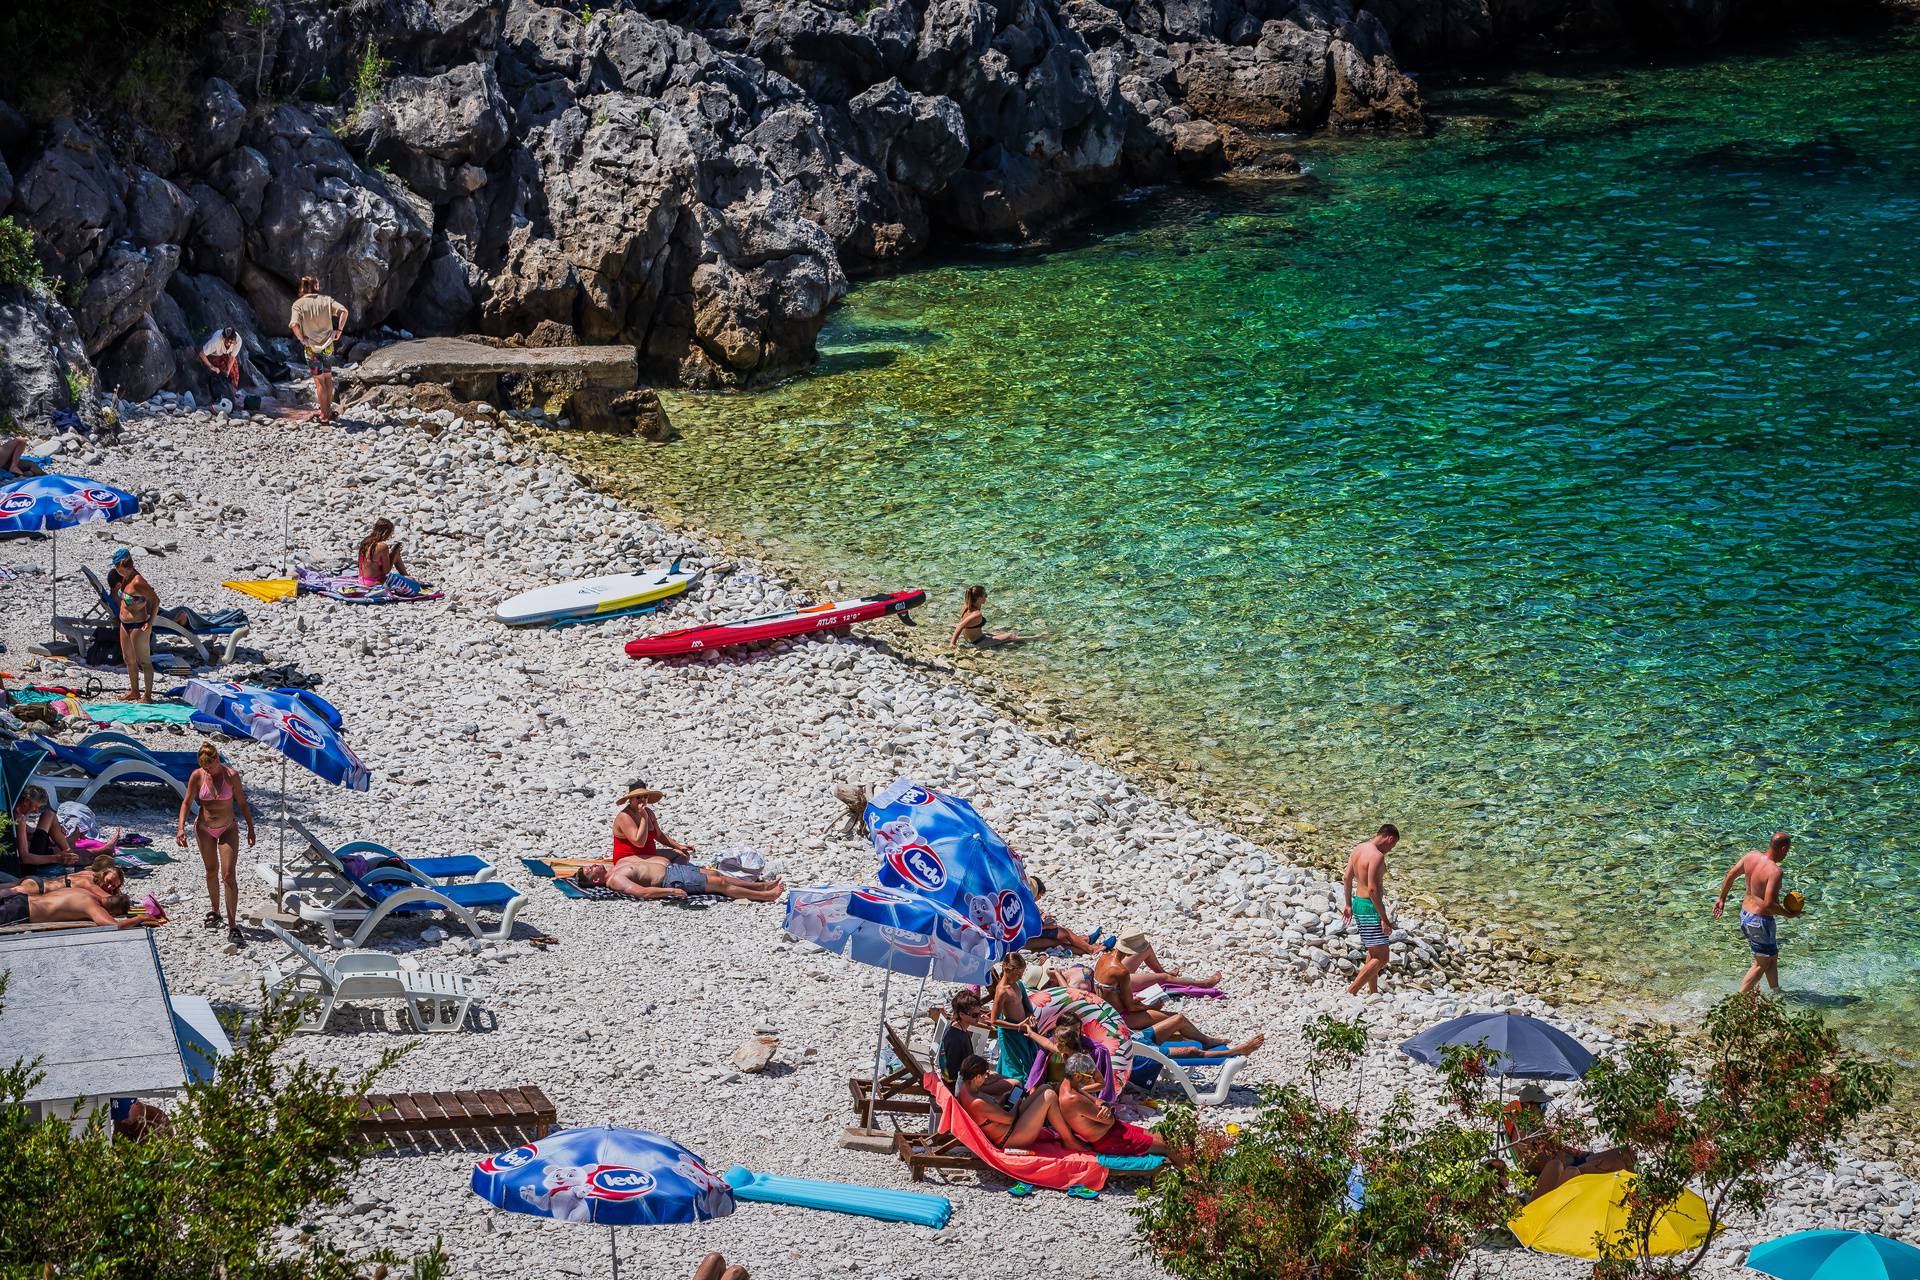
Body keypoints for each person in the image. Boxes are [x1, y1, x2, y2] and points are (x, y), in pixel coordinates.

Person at [1092, 952, 1264, 1057]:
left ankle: (1207, 1040)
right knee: (1186, 1039)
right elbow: (1131, 1008)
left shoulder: (1103, 961)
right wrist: (1153, 1006)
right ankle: (1221, 1046)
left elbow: (1120, 1000)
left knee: (1180, 1032)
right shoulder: (1120, 971)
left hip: (1123, 1027)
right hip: (1129, 1029)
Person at [176, 742, 255, 946]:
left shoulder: (231, 776)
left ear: (217, 760)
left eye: (210, 766)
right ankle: (216, 910)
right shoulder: (197, 775)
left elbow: (242, 803)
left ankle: (233, 924)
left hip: (228, 827)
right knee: (211, 871)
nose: (207, 770)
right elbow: (186, 802)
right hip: (204, 828)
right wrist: (180, 828)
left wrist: (251, 827)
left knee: (228, 875)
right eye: (204, 766)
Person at [1506, 1084, 1634, 1200]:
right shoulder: (1523, 1135)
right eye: (1541, 1106)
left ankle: (1636, 1200)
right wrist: (1564, 1157)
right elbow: (1544, 1164)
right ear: (1528, 1106)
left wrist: (1583, 1154)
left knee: (1624, 1152)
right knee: (1616, 1162)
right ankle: (1629, 1202)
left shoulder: (1537, 1127)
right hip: (1562, 1175)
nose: (1545, 1110)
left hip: (1571, 1164)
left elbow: (1558, 1146)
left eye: (1545, 1105)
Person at [1714, 832, 1797, 994]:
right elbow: (1769, 904)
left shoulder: (1751, 856)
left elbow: (1731, 874)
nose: (1786, 855)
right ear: (1783, 848)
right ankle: (1737, 1002)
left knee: (1770, 956)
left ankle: (1776, 993)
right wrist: (1789, 914)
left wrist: (1721, 898)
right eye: (1787, 851)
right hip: (1760, 921)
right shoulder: (1775, 871)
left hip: (1745, 915)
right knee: (1761, 963)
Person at [955, 1055, 1085, 1151]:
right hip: (1011, 1138)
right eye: (985, 1075)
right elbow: (1009, 1119)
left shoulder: (966, 1090)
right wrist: (1016, 1101)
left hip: (1010, 1128)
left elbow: (990, 1112)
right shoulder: (976, 1102)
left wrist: (1005, 1098)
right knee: (1049, 1096)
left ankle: (1067, 1134)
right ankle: (1069, 1140)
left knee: (1045, 1088)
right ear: (977, 1077)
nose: (986, 1078)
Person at [1058, 1053, 1172, 1158]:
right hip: (1108, 1140)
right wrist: (1107, 1111)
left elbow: (1095, 1100)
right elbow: (1109, 1121)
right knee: (1167, 1147)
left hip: (1112, 1131)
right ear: (1077, 1076)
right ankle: (1187, 1176)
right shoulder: (1074, 1099)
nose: (1091, 1079)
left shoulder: (1070, 1086)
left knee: (1163, 1136)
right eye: (1089, 1076)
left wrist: (1104, 1105)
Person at [1342, 823, 1400, 995]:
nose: (1390, 850)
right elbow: (1373, 889)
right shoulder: (1377, 856)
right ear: (1390, 838)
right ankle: (1351, 992)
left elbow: (1346, 878)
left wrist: (1348, 904)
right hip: (1370, 906)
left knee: (1373, 951)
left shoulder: (1359, 848)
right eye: (1393, 845)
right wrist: (1384, 918)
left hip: (1358, 903)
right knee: (1382, 957)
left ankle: (1373, 991)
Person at [573, 859, 784, 903]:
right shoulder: (616, 880)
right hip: (670, 879)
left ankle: (761, 885)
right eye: (590, 870)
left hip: (673, 869)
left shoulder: (616, 866)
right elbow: (641, 892)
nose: (592, 866)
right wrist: (671, 893)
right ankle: (764, 896)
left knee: (719, 875)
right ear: (596, 880)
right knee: (721, 886)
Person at [289, 276, 349, 424]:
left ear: (302, 287)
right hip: (328, 346)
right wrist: (339, 331)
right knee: (328, 378)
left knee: (319, 382)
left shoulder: (298, 304)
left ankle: (324, 415)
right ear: (315, 285)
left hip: (311, 348)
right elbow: (344, 311)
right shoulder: (326, 300)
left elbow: (293, 324)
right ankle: (327, 411)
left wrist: (302, 339)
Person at [107, 547, 161, 703]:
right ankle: (135, 691)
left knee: (144, 661)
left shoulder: (138, 582)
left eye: (116, 567)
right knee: (128, 659)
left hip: (139, 624)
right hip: (125, 623)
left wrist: (150, 623)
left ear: (121, 566)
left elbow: (155, 601)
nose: (116, 570)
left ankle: (148, 696)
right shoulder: (125, 578)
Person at [5, 786, 84, 882]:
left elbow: (26, 834)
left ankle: (67, 849)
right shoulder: (19, 818)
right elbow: (25, 858)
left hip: (25, 857)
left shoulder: (11, 809)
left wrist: (51, 832)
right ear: (26, 801)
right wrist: (57, 859)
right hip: (27, 867)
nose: (37, 811)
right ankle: (68, 852)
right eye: (36, 806)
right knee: (49, 815)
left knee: (48, 817)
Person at [0, 885, 155, 930]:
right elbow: (114, 926)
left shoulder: (83, 892)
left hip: (20, 898)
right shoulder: (93, 907)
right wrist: (140, 918)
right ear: (114, 912)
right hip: (22, 912)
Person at [611, 783, 695, 863]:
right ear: (630, 799)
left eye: (645, 797)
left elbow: (659, 835)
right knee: (664, 863)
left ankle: (672, 875)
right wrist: (644, 817)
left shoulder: (648, 812)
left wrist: (678, 846)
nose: (642, 800)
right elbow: (639, 842)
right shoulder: (625, 816)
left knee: (683, 855)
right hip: (629, 858)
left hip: (648, 855)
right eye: (638, 797)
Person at [937, 991, 998, 1088]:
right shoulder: (956, 1039)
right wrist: (980, 1076)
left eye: (980, 1013)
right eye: (975, 1015)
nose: (978, 1017)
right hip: (961, 1087)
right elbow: (955, 1074)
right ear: (961, 1014)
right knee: (1011, 1084)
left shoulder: (956, 1026)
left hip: (964, 1079)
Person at [949, 585, 1032, 651]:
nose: (986, 597)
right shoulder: (976, 614)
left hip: (971, 639)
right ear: (979, 598)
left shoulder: (966, 606)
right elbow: (960, 625)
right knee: (1011, 636)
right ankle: (1035, 639)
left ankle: (1032, 638)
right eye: (985, 595)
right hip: (978, 642)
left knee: (999, 635)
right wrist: (952, 643)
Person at [8, 854, 125, 899]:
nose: (109, 886)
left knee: (6, 889)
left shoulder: (88, 872)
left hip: (37, 882)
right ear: (103, 874)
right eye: (109, 881)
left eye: (113, 886)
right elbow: (111, 901)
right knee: (5, 893)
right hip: (38, 888)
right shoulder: (90, 883)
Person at [356, 517, 409, 586]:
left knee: (393, 553)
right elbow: (386, 571)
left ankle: (407, 577)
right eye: (390, 533)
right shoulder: (382, 546)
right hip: (374, 582)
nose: (390, 536)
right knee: (396, 553)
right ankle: (407, 576)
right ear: (385, 532)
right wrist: (393, 555)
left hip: (362, 580)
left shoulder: (365, 541)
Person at [198, 327, 242, 400]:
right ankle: (221, 395)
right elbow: (201, 353)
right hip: (214, 354)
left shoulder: (238, 340)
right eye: (228, 341)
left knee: (233, 370)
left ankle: (233, 393)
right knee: (219, 372)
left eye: (232, 342)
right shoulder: (215, 341)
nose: (230, 343)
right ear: (223, 338)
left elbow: (232, 358)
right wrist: (211, 366)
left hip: (227, 353)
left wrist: (228, 371)